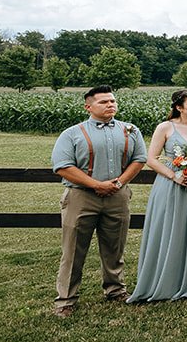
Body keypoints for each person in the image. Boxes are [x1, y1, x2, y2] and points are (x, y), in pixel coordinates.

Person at [50, 84, 148, 315]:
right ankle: (66, 300)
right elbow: (62, 166)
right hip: (81, 197)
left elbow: (139, 159)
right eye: (104, 102)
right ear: (88, 106)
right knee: (73, 249)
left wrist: (119, 183)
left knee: (115, 246)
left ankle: (115, 289)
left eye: (112, 101)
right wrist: (96, 184)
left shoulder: (130, 130)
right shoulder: (72, 133)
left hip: (117, 196)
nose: (110, 105)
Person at [128, 89, 187, 303]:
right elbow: (152, 158)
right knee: (170, 227)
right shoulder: (165, 127)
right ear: (179, 107)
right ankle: (167, 280)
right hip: (171, 184)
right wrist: (174, 176)